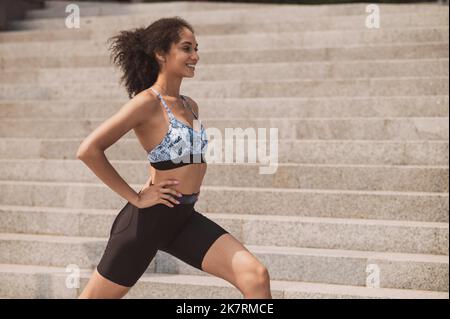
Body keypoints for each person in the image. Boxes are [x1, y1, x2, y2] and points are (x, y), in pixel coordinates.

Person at [76, 17, 272, 299]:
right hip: (146, 224)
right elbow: (89, 150)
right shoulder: (147, 103)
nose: (195, 56)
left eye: (196, 48)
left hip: (182, 218)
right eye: (186, 48)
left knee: (255, 275)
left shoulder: (190, 105)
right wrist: (136, 197)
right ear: (161, 53)